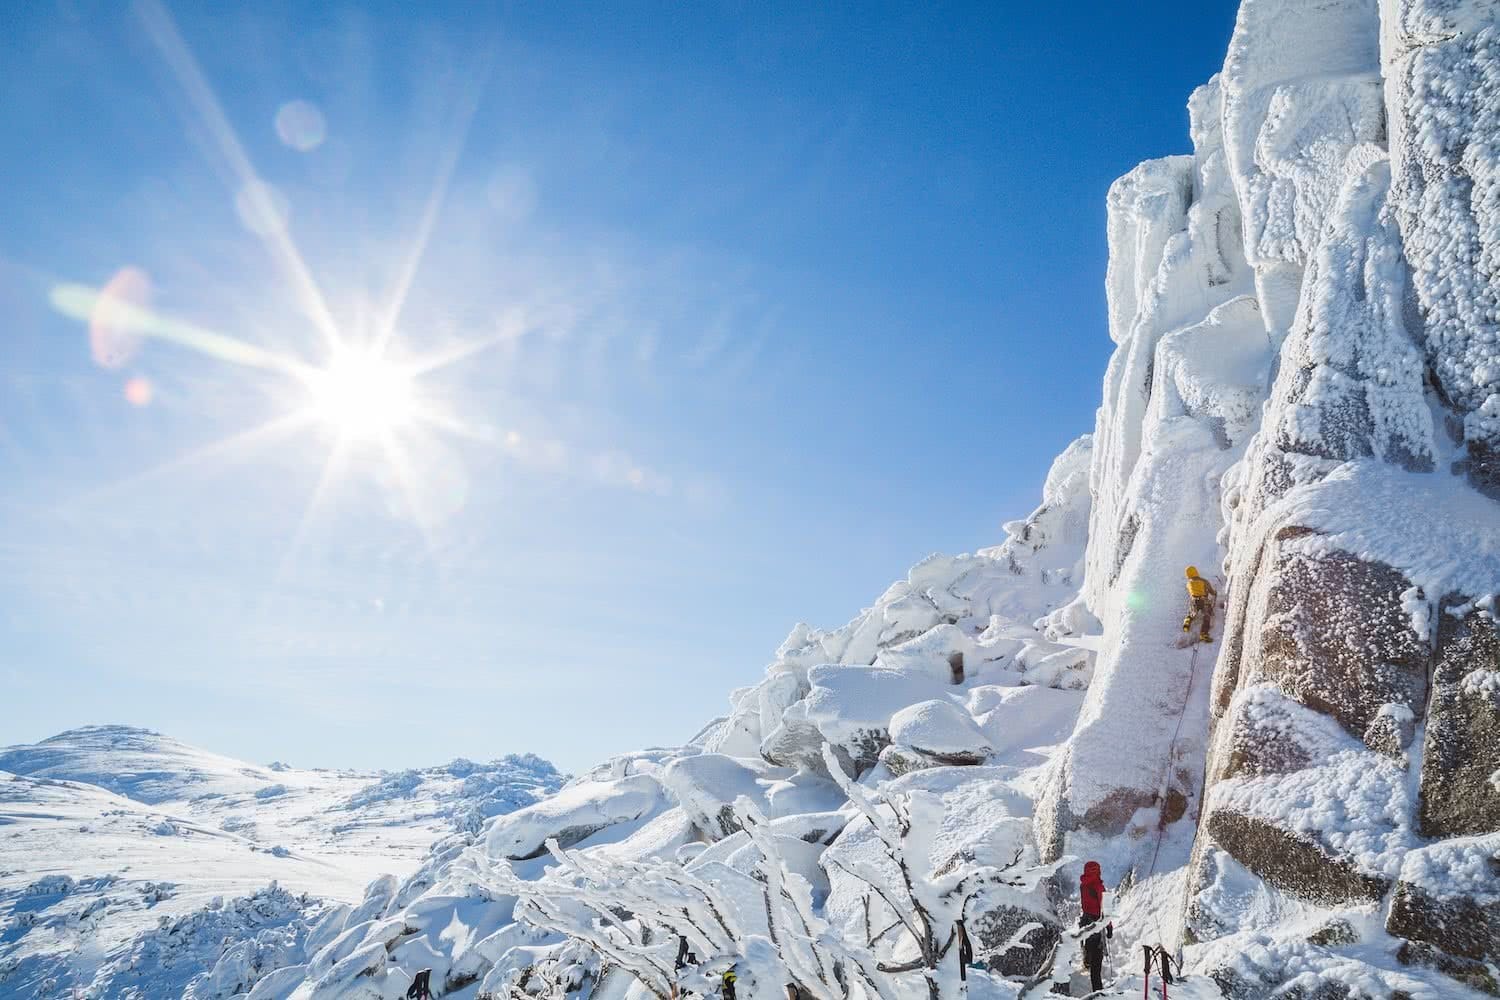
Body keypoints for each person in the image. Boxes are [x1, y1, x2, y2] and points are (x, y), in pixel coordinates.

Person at [1079, 861, 1112, 993]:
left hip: (1086, 923)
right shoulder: (1098, 887)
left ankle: (1087, 961)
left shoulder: (1083, 885)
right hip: (1097, 924)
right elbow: (1106, 909)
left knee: (1090, 950)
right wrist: (1109, 927)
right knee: (1097, 961)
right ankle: (1098, 992)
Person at [1182, 566, 1218, 643]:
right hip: (1204, 601)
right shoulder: (1204, 581)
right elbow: (1211, 591)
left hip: (1194, 601)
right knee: (1206, 616)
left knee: (1191, 614)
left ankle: (1187, 623)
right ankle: (1203, 634)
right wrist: (1215, 592)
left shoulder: (1188, 583)